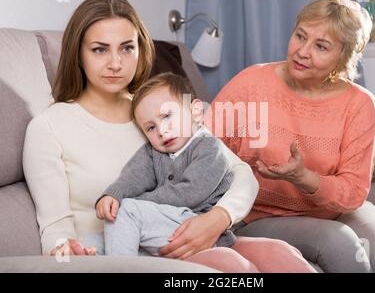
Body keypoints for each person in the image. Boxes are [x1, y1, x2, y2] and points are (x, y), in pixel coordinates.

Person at [22, 0, 314, 272]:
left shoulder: (159, 110)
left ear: (141, 49)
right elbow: (55, 228)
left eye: (127, 48)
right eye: (99, 49)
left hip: (192, 231)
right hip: (119, 254)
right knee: (233, 268)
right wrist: (65, 250)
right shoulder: (49, 127)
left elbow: (242, 175)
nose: (115, 63)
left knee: (282, 255)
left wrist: (217, 219)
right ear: (78, 54)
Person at [209, 0, 375, 273]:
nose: (303, 51)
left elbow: (353, 192)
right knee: (337, 242)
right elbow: (203, 151)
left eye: (321, 46)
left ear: (343, 57)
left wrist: (303, 178)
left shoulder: (359, 103)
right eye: (300, 36)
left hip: (338, 210)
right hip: (259, 215)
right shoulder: (251, 84)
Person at [93, 72, 316, 272]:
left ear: (196, 111)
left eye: (167, 116)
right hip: (173, 226)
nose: (162, 130)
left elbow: (191, 193)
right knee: (106, 230)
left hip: (199, 223)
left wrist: (133, 203)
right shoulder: (153, 152)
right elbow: (132, 176)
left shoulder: (209, 147)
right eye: (150, 127)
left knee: (128, 212)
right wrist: (114, 194)